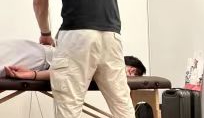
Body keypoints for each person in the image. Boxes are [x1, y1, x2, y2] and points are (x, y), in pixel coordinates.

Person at [0, 39, 147, 79]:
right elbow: (66, 70)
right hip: (38, 56)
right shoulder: (103, 62)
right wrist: (32, 75)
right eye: (133, 71)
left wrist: (32, 74)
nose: (130, 75)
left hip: (37, 57)